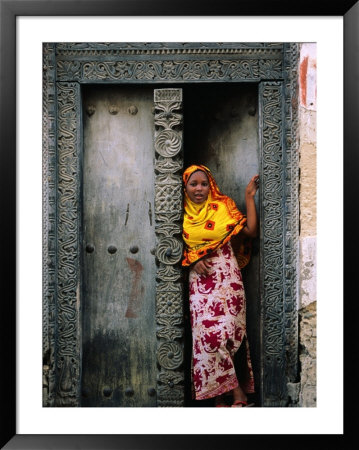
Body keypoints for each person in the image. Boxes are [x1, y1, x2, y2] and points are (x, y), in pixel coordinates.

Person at [182, 164, 259, 407]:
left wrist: (248, 197)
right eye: (193, 184)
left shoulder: (222, 206)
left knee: (227, 336)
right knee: (207, 339)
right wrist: (192, 261)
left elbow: (250, 231)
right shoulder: (179, 213)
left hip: (227, 277)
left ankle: (228, 395)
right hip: (200, 283)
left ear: (210, 186)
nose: (199, 189)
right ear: (185, 186)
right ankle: (226, 395)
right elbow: (175, 249)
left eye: (204, 184)